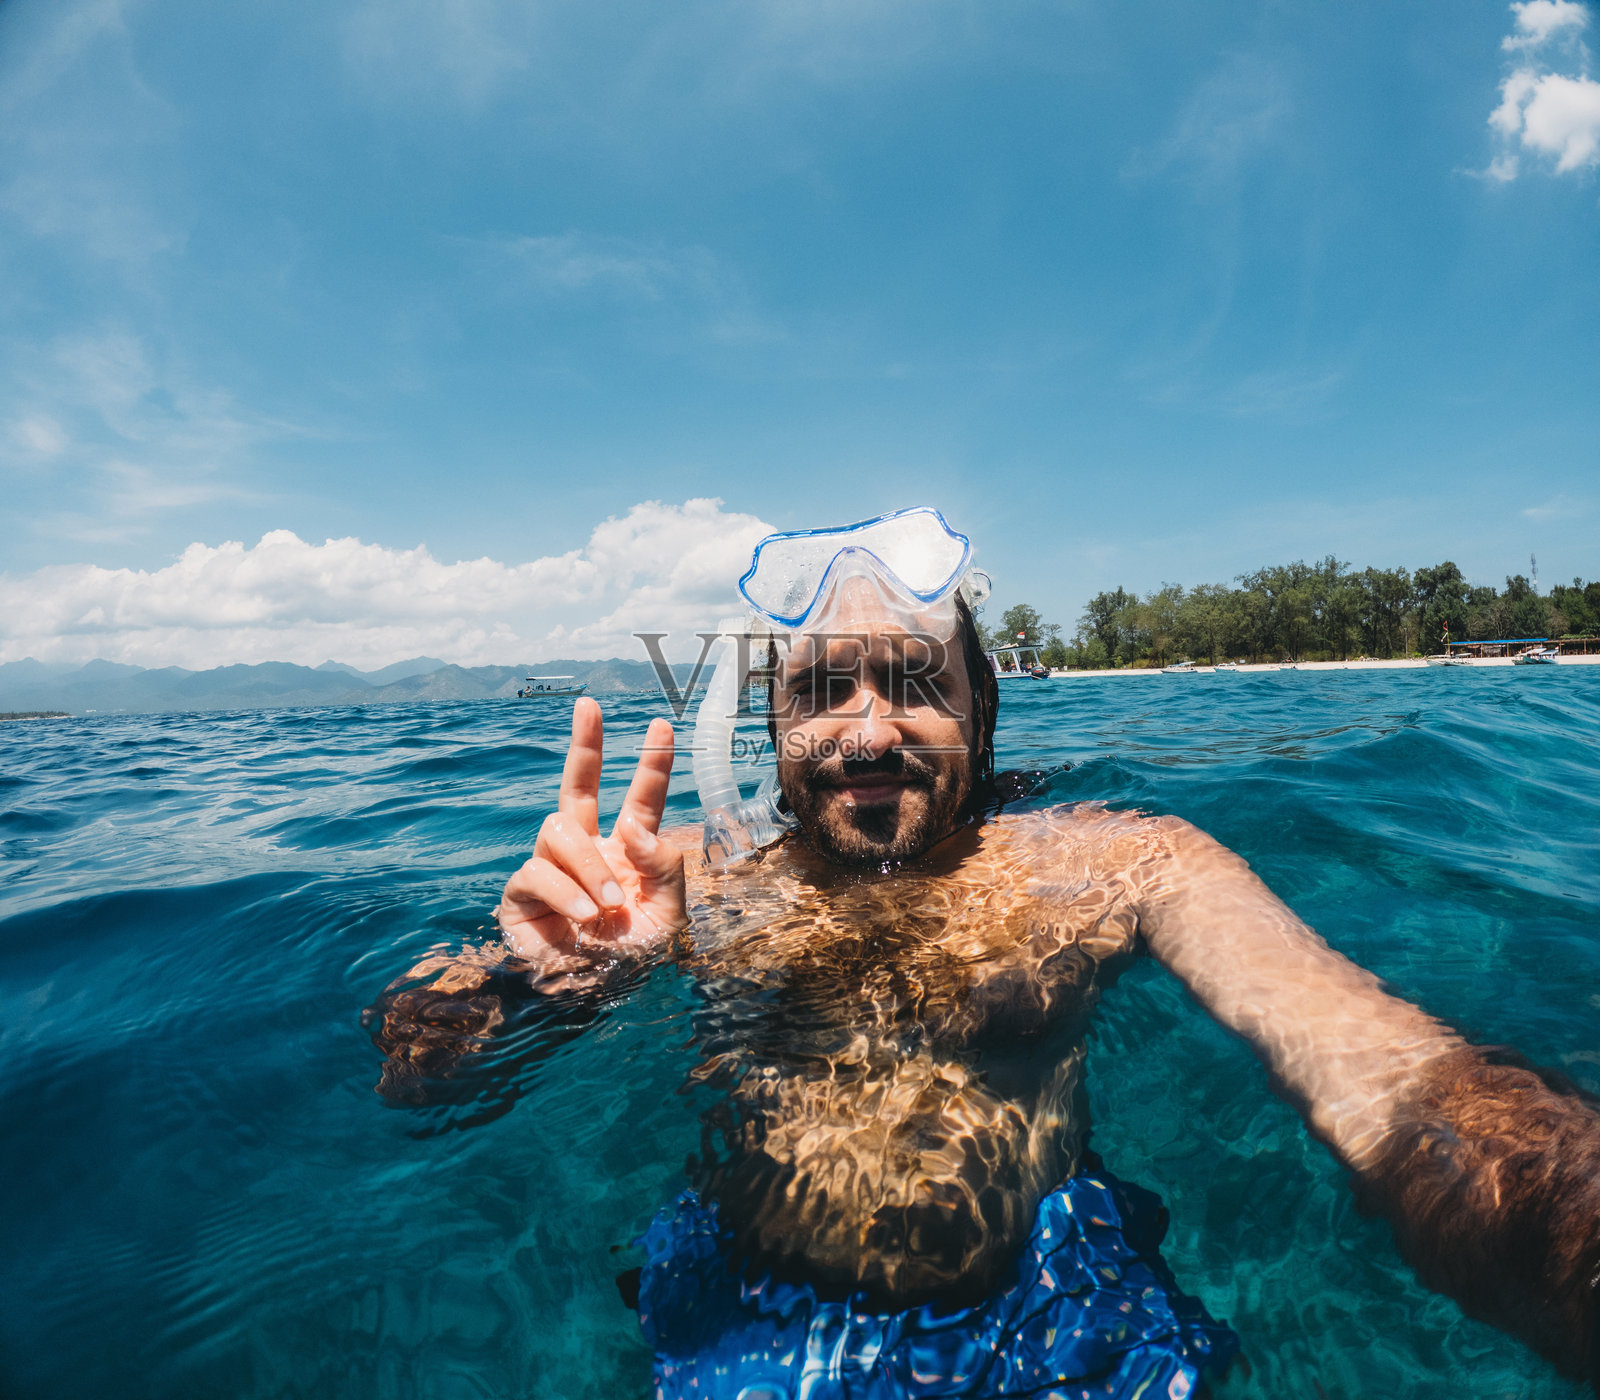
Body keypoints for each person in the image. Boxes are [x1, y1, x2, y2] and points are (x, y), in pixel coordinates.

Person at [371, 509, 1600, 1398]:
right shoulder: (684, 876)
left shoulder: (1121, 864)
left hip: (1053, 1302)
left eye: (914, 682)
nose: (866, 732)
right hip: (743, 1311)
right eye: (821, 691)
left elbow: (1398, 1083)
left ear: (982, 710)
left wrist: (1570, 1229)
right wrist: (526, 983)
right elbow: (418, 1078)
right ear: (774, 729)